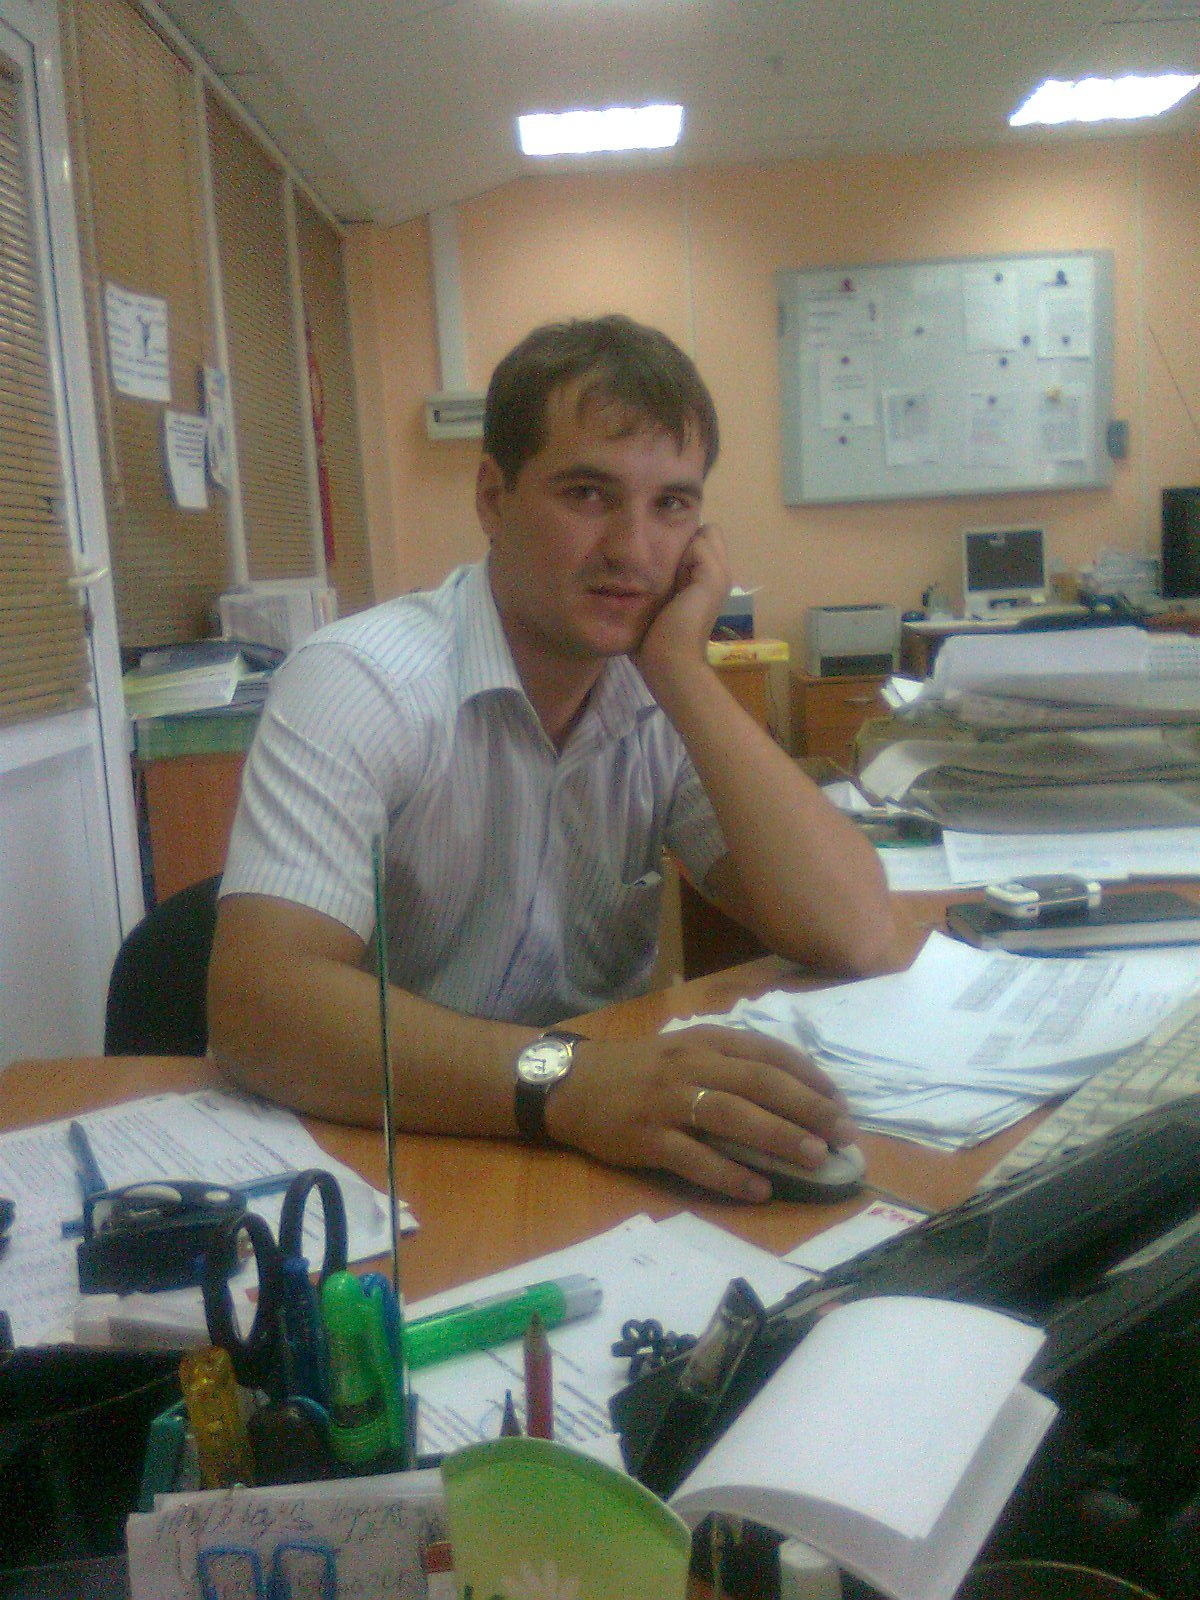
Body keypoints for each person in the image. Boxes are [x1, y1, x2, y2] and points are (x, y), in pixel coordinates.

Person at [207, 314, 896, 1202]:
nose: (633, 551)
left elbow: (852, 929)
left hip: (589, 1157)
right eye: (587, 494)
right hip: (385, 1157)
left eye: (671, 506)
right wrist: (568, 1078)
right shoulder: (361, 683)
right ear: (494, 498)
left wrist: (683, 671)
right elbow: (259, 1007)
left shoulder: (656, 687)